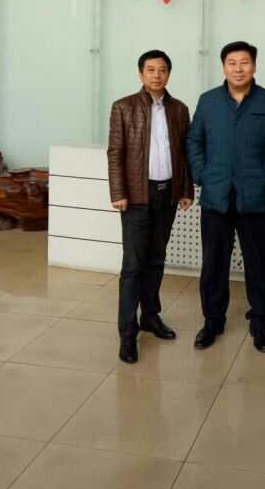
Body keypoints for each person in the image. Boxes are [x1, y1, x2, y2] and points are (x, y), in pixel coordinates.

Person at [186, 41, 265, 353]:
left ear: (254, 66)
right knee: (214, 263)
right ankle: (212, 321)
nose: (238, 69)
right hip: (216, 196)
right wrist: (202, 175)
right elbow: (194, 141)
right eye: (232, 63)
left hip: (255, 197)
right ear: (223, 67)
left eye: (244, 62)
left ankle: (260, 323)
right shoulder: (208, 101)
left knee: (259, 263)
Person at [107, 49, 194, 364]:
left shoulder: (179, 109)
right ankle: (127, 334)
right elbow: (115, 152)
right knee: (133, 265)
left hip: (166, 194)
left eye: (162, 70)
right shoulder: (124, 107)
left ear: (169, 74)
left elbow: (185, 153)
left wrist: (185, 189)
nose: (157, 75)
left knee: (157, 260)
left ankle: (150, 317)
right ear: (141, 73)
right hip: (136, 197)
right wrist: (119, 192)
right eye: (151, 70)